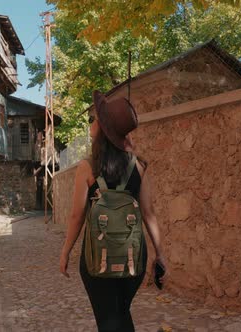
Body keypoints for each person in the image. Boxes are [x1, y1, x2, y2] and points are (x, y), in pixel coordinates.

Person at [59, 90, 166, 331]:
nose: (92, 122)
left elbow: (77, 215)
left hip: (97, 259)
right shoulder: (138, 166)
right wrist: (160, 254)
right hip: (133, 258)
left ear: (104, 130)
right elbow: (149, 213)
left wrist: (65, 252)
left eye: (95, 118)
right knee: (118, 314)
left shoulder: (87, 167)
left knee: (109, 320)